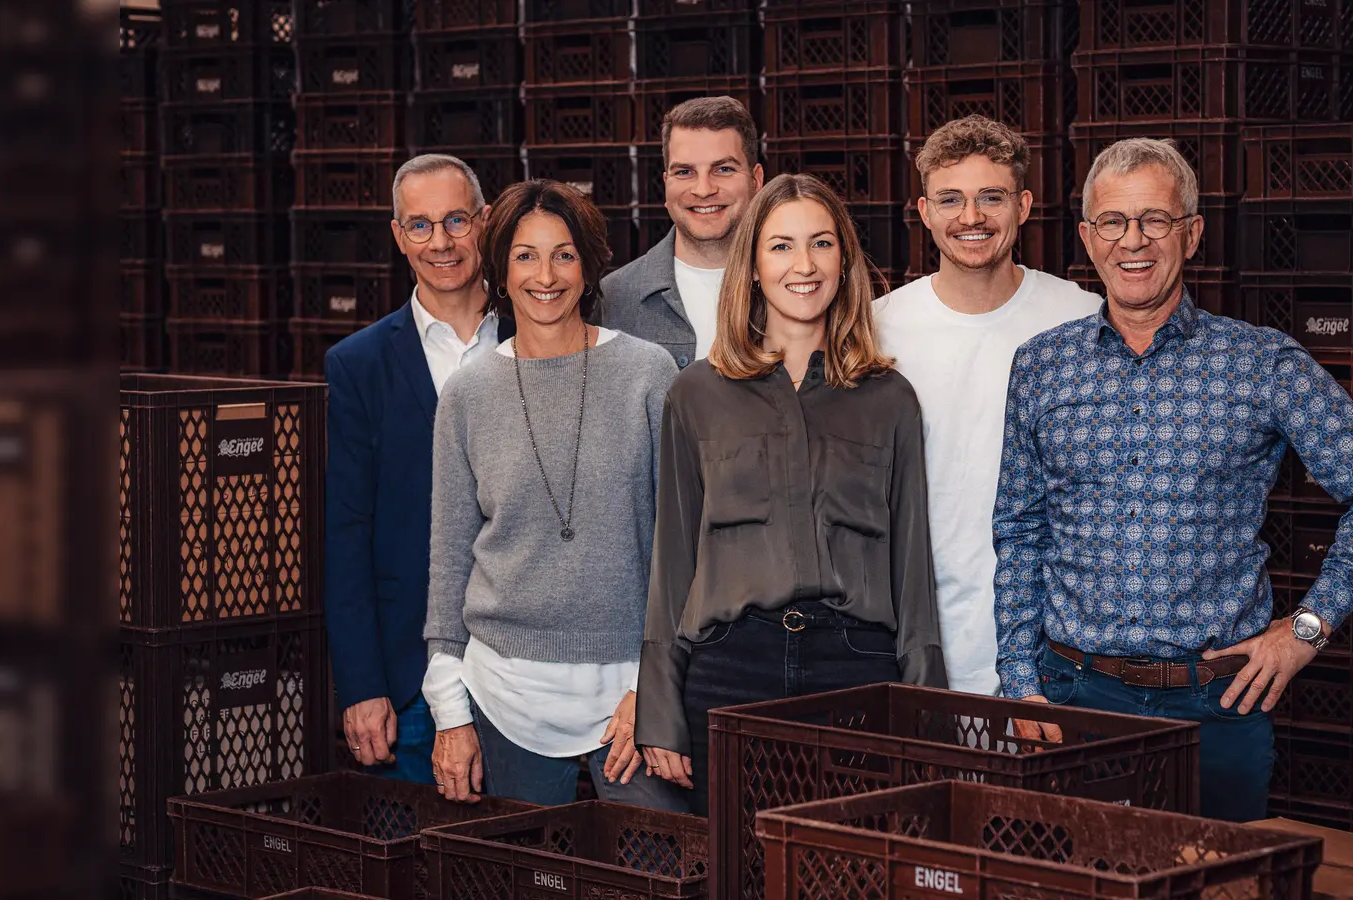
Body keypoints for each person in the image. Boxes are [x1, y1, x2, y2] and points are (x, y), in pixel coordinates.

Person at [994, 138, 1353, 822]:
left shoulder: (1261, 362)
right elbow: (1019, 529)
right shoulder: (1041, 367)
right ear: (1087, 238)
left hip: (1216, 706)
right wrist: (1020, 682)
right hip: (1074, 697)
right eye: (1113, 222)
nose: (1134, 241)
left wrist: (1307, 628)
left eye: (1155, 220)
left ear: (1191, 234)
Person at [635, 173, 950, 815]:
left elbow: (913, 574)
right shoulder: (695, 395)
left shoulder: (890, 401)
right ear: (751, 266)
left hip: (856, 669)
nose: (802, 266)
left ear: (844, 261)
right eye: (780, 246)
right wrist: (658, 707)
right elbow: (671, 563)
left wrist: (927, 712)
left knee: (850, 872)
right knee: (736, 872)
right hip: (729, 671)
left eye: (821, 244)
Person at [421, 180, 688, 810]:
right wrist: (450, 713)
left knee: (656, 873)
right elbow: (450, 559)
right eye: (525, 256)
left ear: (589, 267)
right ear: (499, 273)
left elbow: (682, 550)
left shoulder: (649, 375)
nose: (546, 275)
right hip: (504, 694)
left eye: (564, 255)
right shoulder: (468, 393)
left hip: (630, 689)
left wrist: (656, 684)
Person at [873, 116, 1101, 695]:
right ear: (923, 212)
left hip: (1054, 640)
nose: (970, 218)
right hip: (914, 631)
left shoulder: (1078, 317)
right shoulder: (880, 329)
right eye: (950, 200)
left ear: (1023, 206)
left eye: (990, 198)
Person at [324, 153, 507, 782]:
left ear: (484, 223)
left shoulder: (537, 339)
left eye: (456, 220)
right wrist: (362, 684)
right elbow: (346, 534)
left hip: (524, 664)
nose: (442, 242)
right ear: (399, 236)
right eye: (421, 225)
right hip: (409, 678)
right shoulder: (359, 366)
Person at [602, 96, 765, 369]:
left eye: (723, 169)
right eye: (685, 172)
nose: (703, 189)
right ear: (666, 184)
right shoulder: (614, 300)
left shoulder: (797, 287)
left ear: (756, 180)